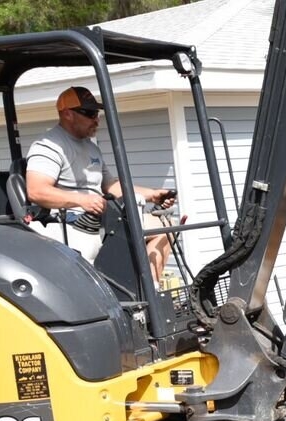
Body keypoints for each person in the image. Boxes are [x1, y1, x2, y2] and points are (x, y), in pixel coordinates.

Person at [25, 86, 176, 281]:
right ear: (67, 114)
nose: (96, 119)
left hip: (100, 217)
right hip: (69, 221)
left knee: (165, 226)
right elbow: (36, 191)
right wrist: (82, 200)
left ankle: (148, 289)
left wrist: (152, 195)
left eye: (97, 113)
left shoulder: (91, 147)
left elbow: (111, 186)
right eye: (89, 114)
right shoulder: (49, 146)